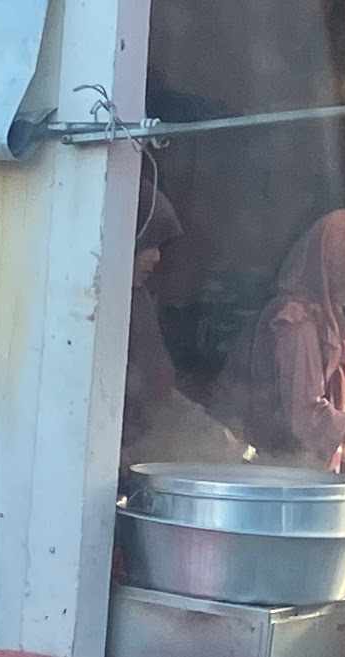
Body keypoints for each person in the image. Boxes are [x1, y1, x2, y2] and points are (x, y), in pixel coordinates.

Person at [213, 209, 345, 469]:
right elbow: (305, 415)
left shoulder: (329, 322)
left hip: (301, 468)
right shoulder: (297, 323)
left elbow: (339, 387)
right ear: (331, 267)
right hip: (272, 470)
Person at [120, 176, 243, 482]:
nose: (156, 257)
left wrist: (205, 429)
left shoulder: (138, 302)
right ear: (123, 237)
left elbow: (157, 389)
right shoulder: (92, 307)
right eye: (149, 244)